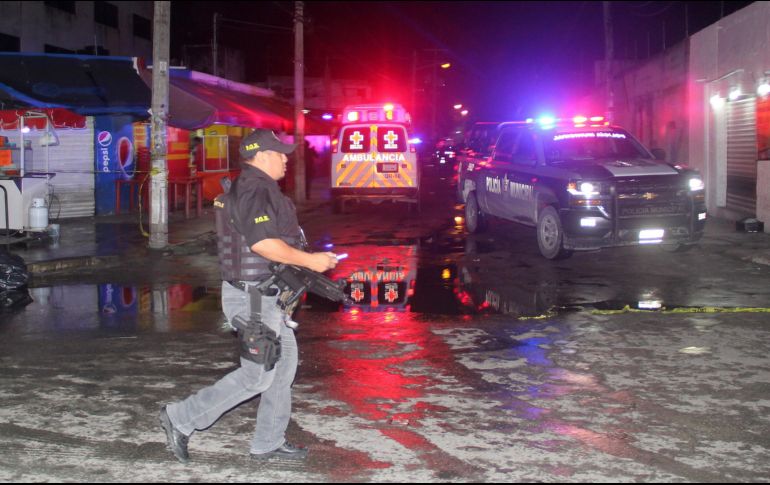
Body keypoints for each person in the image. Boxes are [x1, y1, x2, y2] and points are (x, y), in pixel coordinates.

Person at [159, 129, 339, 464]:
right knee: (257, 375)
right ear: (261, 155)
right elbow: (263, 244)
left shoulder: (260, 188)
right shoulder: (254, 189)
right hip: (254, 298)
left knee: (282, 369)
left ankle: (268, 441)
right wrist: (312, 261)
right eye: (280, 153)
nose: (286, 159)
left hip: (269, 296)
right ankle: (181, 417)